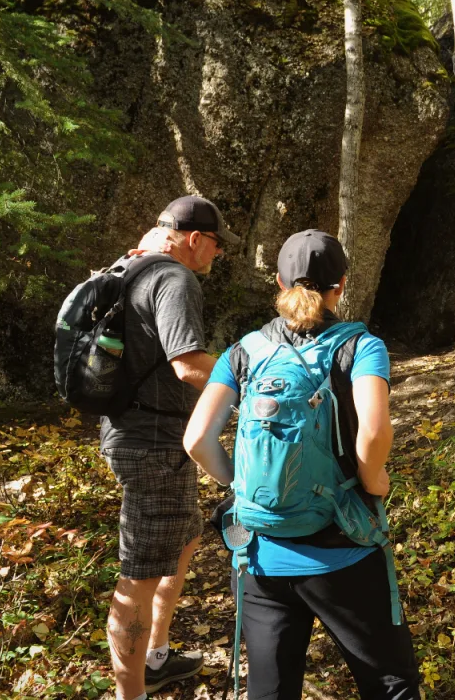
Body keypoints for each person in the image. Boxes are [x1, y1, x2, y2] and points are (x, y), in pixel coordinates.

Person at [184, 229, 419, 700]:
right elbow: (373, 431)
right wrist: (374, 481)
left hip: (259, 555)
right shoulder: (360, 346)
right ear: (342, 285)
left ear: (279, 281)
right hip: (343, 547)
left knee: (270, 689)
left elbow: (196, 439)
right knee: (390, 683)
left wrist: (243, 488)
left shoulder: (244, 350)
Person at [100, 195, 239, 700]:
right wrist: (256, 381)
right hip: (151, 444)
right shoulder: (176, 278)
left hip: (143, 434)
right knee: (138, 574)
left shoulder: (131, 265)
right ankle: (131, 694)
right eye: (218, 245)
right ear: (196, 239)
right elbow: (188, 364)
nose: (218, 255)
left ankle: (155, 657)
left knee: (183, 538)